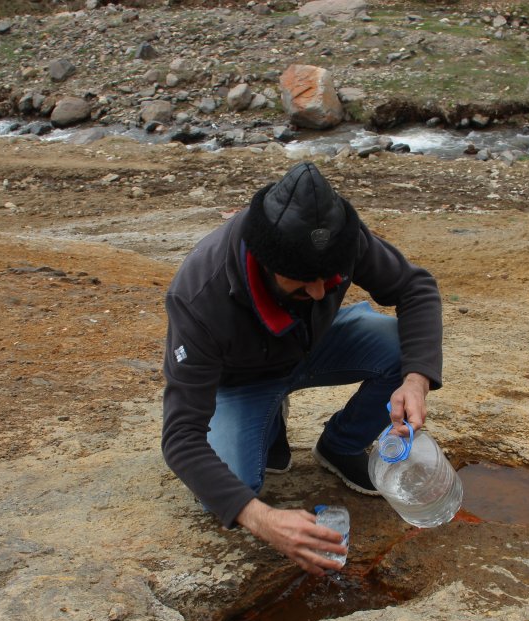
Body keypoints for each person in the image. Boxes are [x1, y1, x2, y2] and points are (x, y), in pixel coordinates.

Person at [161, 162, 443, 576]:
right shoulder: (200, 296)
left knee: (405, 351)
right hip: (241, 380)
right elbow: (181, 437)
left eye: (328, 281)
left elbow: (415, 288)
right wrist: (262, 518)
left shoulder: (342, 238)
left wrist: (416, 381)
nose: (317, 292)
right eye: (302, 282)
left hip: (315, 345)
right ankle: (268, 418)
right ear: (263, 260)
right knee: (230, 490)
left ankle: (340, 445)